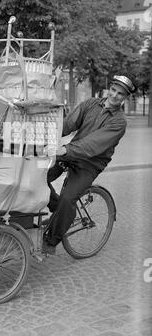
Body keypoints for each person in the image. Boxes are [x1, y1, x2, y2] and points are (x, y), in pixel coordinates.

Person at [43, 75, 136, 255]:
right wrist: (47, 134)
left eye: (120, 94)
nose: (115, 95)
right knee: (37, 177)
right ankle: (58, 208)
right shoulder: (91, 104)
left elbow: (93, 145)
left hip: (89, 164)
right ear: (110, 88)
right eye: (114, 90)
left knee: (68, 198)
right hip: (71, 153)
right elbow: (69, 124)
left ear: (125, 98)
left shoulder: (119, 122)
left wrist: (65, 150)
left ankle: (50, 241)